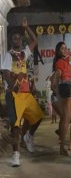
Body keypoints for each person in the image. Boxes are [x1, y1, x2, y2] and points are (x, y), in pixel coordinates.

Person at [1, 18, 44, 167]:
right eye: (14, 39)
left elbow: (35, 40)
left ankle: (28, 136)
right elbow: (5, 73)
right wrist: (13, 86)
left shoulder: (24, 53)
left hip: (26, 94)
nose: (17, 40)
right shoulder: (8, 55)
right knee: (16, 125)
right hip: (14, 95)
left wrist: (27, 27)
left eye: (19, 38)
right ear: (11, 41)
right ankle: (15, 155)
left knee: (38, 117)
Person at [51, 38, 71, 156]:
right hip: (64, 90)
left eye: (65, 48)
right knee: (67, 118)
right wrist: (58, 94)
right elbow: (54, 82)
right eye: (62, 48)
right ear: (58, 52)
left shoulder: (66, 60)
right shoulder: (59, 63)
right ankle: (62, 146)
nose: (65, 50)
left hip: (67, 90)